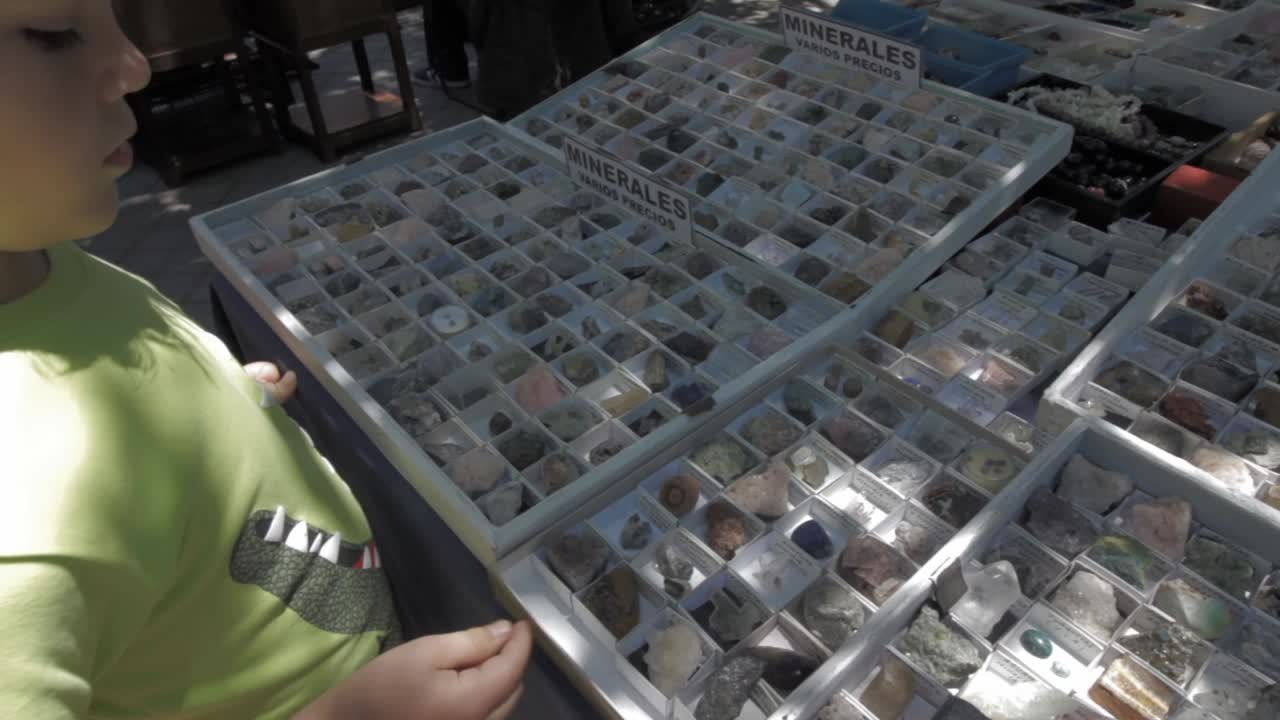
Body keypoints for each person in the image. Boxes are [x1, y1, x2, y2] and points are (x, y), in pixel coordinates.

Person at [0, 1, 532, 718]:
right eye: (53, 34)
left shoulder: (38, 261)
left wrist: (216, 405)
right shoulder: (21, 529)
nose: (132, 66)